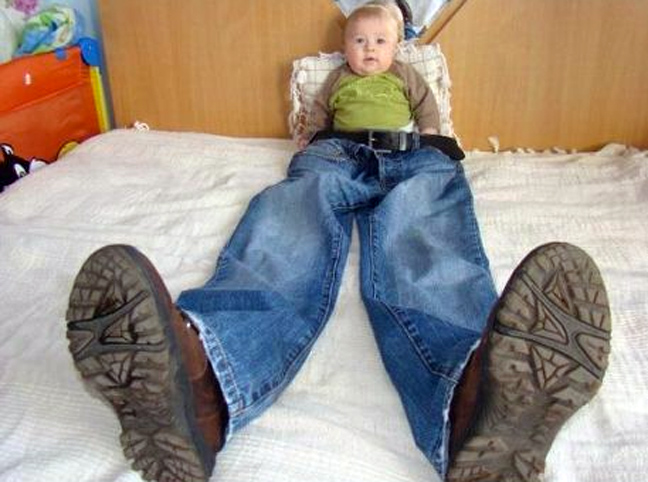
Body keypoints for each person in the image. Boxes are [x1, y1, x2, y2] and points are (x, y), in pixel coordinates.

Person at [64, 2, 612, 482]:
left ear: (397, 46)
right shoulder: (337, 81)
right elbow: (317, 118)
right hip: (334, 150)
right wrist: (309, 138)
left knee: (422, 239)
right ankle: (198, 382)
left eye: (380, 41)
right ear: (345, 46)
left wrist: (436, 139)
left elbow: (428, 112)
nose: (369, 49)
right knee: (294, 221)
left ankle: (476, 401)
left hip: (415, 154)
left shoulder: (405, 78)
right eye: (359, 40)